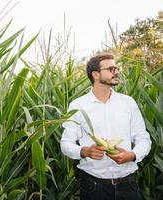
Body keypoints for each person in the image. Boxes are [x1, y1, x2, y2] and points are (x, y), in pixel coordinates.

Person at [60, 52, 151, 200]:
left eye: (116, 68)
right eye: (111, 69)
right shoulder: (78, 105)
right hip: (93, 186)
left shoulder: (128, 103)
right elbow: (66, 144)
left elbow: (143, 139)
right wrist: (85, 151)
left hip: (128, 185)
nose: (116, 72)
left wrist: (132, 155)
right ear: (95, 74)